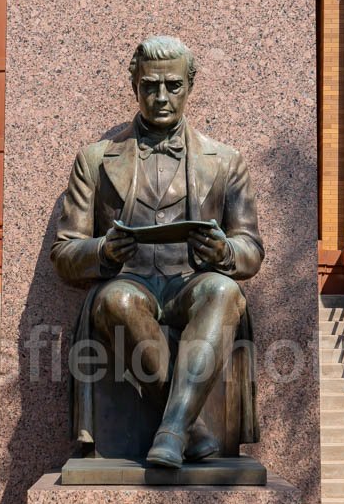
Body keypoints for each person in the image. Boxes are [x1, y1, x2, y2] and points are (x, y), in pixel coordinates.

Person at [51, 35, 265, 468]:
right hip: (130, 284)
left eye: (172, 86)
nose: (161, 97)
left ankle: (170, 431)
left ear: (190, 86)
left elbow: (251, 249)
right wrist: (103, 252)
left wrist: (223, 251)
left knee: (224, 292)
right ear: (134, 86)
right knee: (116, 298)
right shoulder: (95, 160)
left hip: (192, 284)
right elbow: (65, 251)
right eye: (150, 86)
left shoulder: (225, 161)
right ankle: (192, 428)